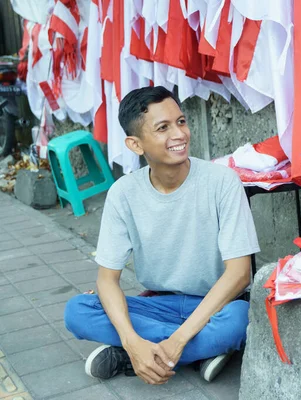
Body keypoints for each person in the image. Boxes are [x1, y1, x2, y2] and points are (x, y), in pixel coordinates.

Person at [64, 86, 260, 384]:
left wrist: (179, 338)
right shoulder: (124, 194)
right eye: (163, 128)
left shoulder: (222, 182)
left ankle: (133, 357)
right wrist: (132, 340)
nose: (179, 134)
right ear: (136, 144)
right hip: (157, 304)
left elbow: (239, 275)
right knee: (78, 310)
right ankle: (191, 352)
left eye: (181, 122)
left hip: (216, 305)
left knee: (238, 320)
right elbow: (107, 280)